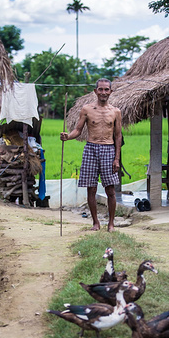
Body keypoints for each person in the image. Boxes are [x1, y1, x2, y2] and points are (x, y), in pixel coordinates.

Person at [60, 78, 122, 232]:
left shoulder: (115, 112)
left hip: (108, 149)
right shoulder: (87, 109)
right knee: (91, 189)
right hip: (91, 148)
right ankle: (96, 223)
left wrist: (117, 159)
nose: (103, 92)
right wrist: (67, 136)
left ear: (110, 92)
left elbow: (118, 136)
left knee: (110, 190)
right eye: (100, 89)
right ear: (95, 91)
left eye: (106, 89)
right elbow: (78, 130)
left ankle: (111, 223)